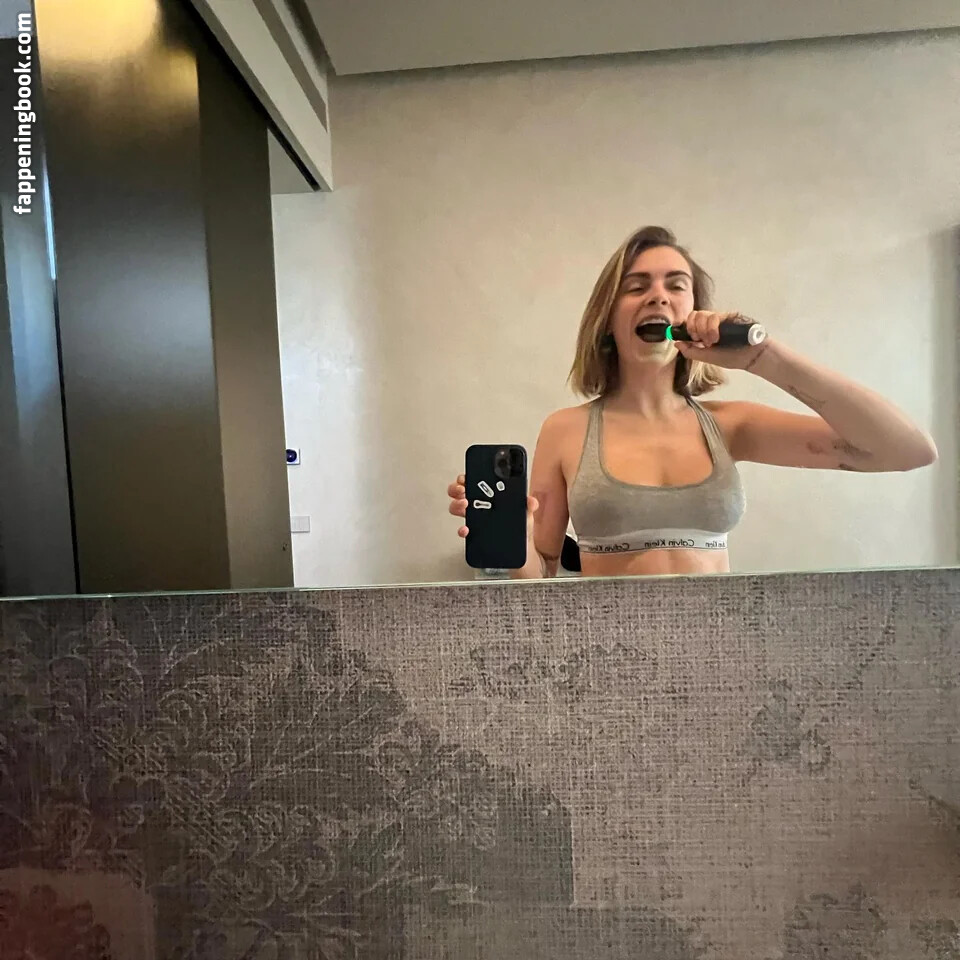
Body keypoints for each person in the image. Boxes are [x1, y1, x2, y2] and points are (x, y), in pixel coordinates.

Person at [448, 226, 938, 579]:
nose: (657, 297)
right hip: (607, 659)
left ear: (694, 311)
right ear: (608, 320)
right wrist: (516, 537)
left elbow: (907, 451)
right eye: (636, 286)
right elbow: (541, 577)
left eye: (676, 285)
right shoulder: (566, 429)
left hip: (720, 659)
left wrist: (764, 356)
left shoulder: (731, 425)